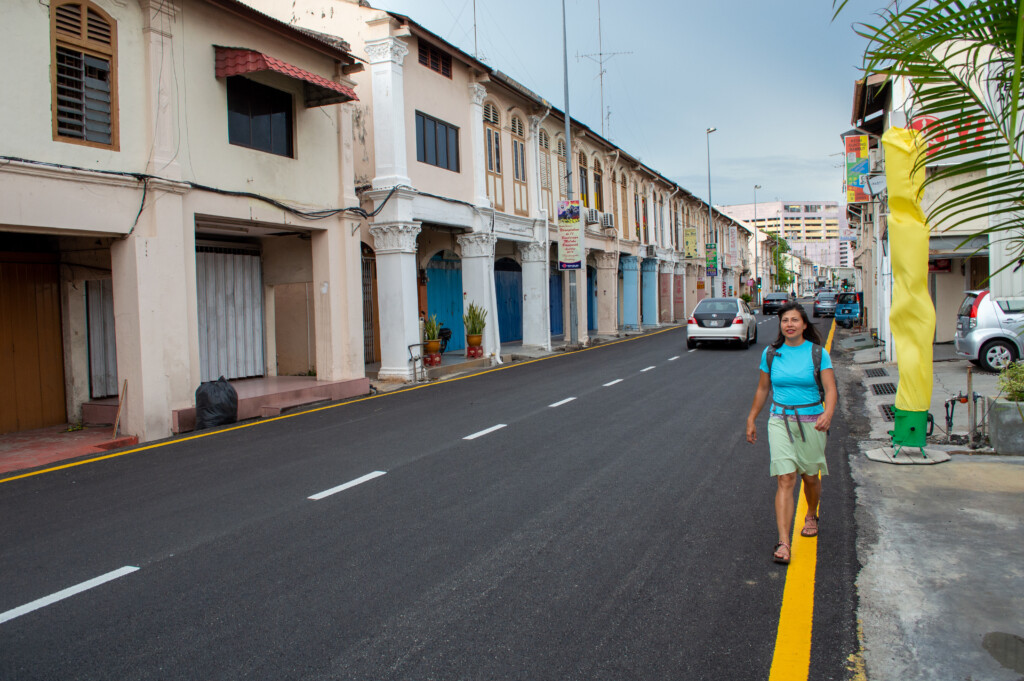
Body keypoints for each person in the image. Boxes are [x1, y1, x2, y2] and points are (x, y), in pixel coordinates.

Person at [746, 301, 837, 564]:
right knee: (785, 478)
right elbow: (763, 389)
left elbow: (830, 390)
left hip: (812, 421)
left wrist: (827, 414)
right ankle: (784, 542)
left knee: (810, 477)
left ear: (804, 324)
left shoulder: (818, 353)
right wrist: (751, 418)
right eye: (785, 320)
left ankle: (811, 513)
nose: (789, 325)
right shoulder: (772, 354)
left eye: (795, 320)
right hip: (779, 420)